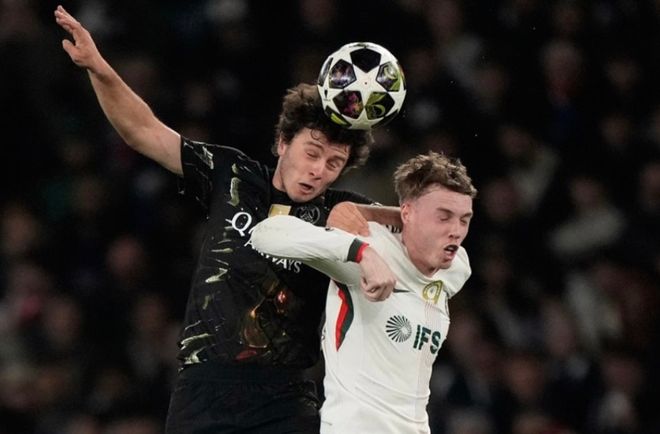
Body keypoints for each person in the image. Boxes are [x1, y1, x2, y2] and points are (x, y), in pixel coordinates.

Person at [54, 5, 400, 433]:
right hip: (204, 389)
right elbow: (142, 130)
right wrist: (98, 67)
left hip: (286, 398)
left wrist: (376, 241)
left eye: (334, 163)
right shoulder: (233, 174)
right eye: (312, 153)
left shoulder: (344, 212)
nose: (318, 170)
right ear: (282, 142)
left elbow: (417, 228)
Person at [251, 151, 478, 434]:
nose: (456, 231)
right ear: (408, 213)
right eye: (443, 217)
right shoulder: (369, 245)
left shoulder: (456, 268)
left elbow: (417, 223)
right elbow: (265, 234)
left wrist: (369, 210)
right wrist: (362, 254)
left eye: (464, 220)